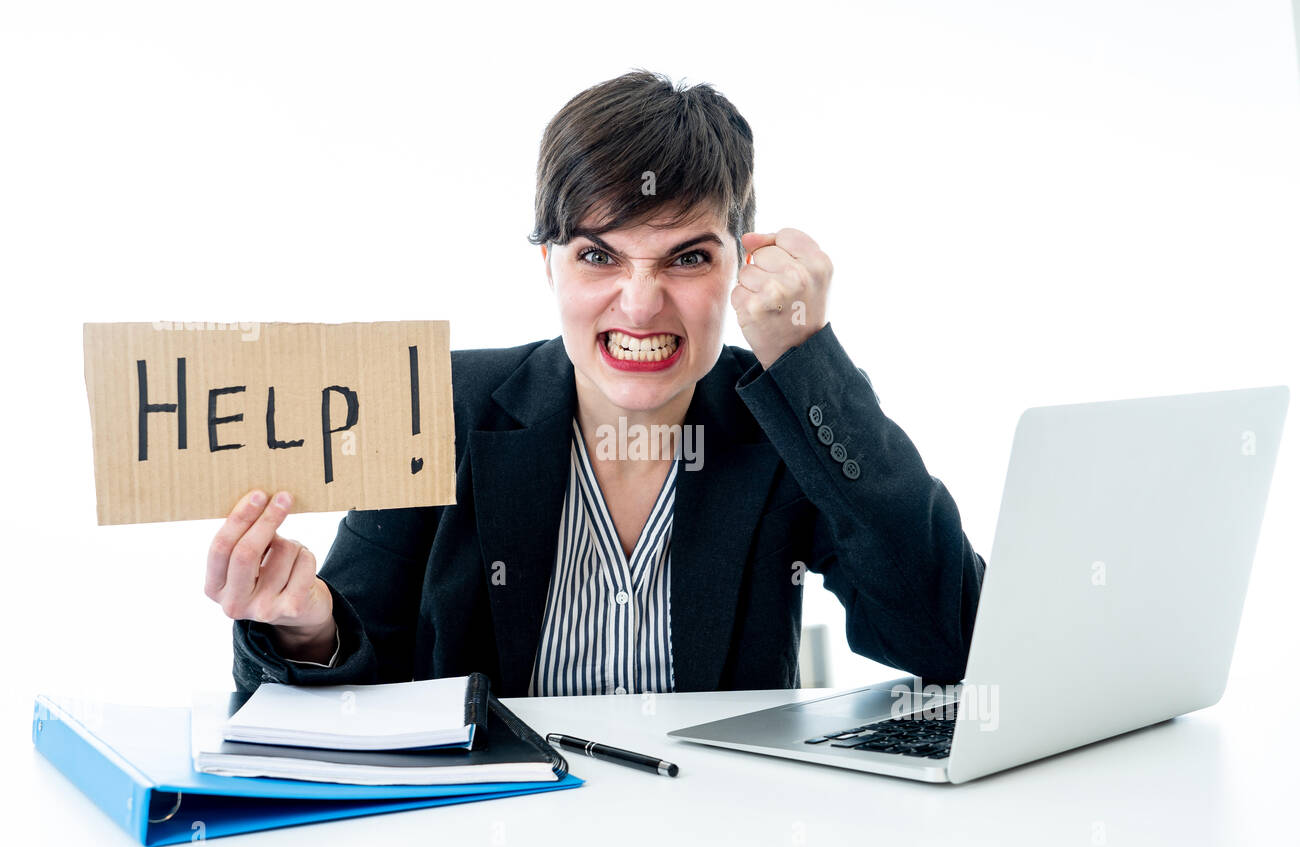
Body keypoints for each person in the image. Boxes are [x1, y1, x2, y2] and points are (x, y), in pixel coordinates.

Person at [204, 70, 986, 697]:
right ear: (548, 264)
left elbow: (953, 639)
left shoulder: (786, 420)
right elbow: (348, 689)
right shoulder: (441, 407)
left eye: (687, 258)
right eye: (598, 256)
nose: (641, 303)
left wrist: (807, 358)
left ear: (741, 266)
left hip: (715, 841)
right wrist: (305, 630)